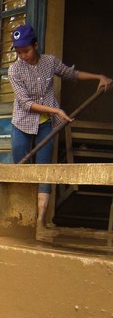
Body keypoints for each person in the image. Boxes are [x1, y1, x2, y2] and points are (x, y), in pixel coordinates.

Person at [7, 24, 112, 228]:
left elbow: (72, 74)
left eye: (26, 51)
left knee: (45, 169)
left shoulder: (49, 62)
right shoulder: (14, 70)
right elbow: (26, 103)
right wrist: (56, 111)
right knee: (20, 170)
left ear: (35, 45)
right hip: (21, 123)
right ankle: (22, 218)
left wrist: (99, 77)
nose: (23, 56)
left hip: (46, 125)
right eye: (19, 52)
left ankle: (40, 220)